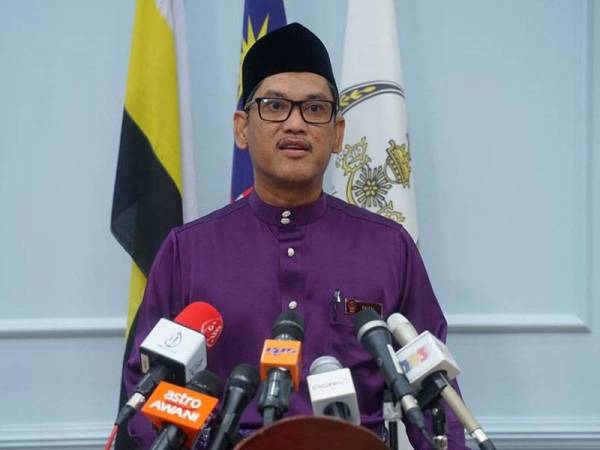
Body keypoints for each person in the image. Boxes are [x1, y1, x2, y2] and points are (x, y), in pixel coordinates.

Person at [123, 23, 468, 449]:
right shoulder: (187, 251)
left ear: (337, 133)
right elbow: (145, 393)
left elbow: (435, 400)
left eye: (315, 109)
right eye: (274, 106)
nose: (295, 123)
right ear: (242, 128)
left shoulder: (388, 247)